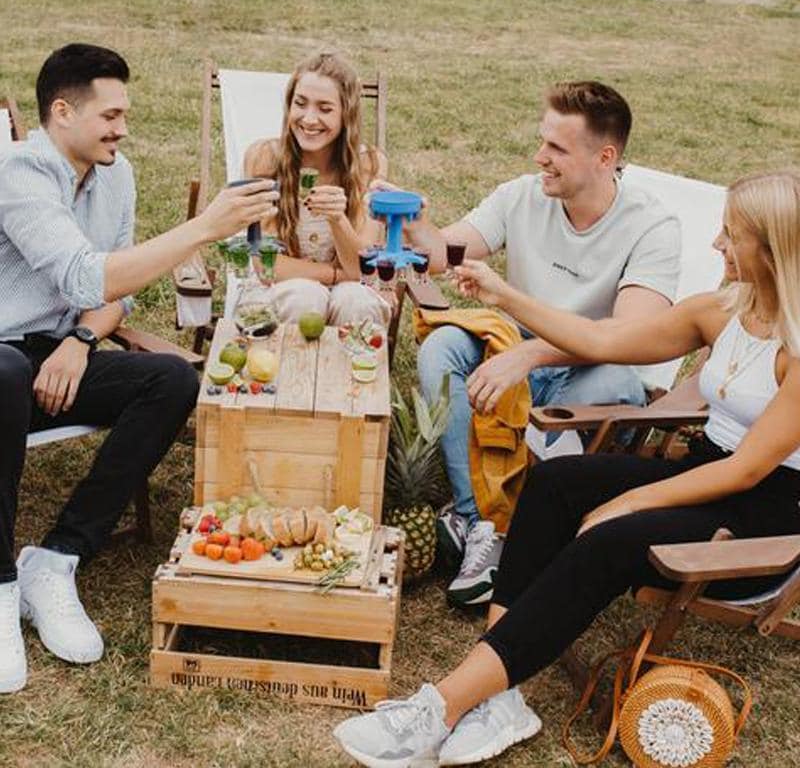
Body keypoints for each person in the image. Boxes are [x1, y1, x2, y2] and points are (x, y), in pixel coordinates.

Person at [334, 170, 800, 767]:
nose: (716, 244)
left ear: (773, 249)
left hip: (761, 517)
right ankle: (498, 693)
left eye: (731, 235)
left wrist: (628, 502)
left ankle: (442, 707)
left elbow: (747, 472)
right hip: (707, 471)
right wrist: (506, 297)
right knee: (556, 483)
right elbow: (602, 340)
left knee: (608, 538)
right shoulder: (722, 310)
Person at [0, 43, 276, 694]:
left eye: (124, 115)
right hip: (1, 359)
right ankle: (0, 584)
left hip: (58, 356)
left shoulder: (116, 175)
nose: (122, 129)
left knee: (172, 379)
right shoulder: (17, 174)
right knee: (5, 371)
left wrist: (80, 341)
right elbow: (83, 275)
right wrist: (203, 228)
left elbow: (114, 292)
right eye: (111, 115)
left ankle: (56, 558)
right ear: (62, 112)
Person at [406, 81, 681, 606]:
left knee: (616, 385)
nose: (539, 157)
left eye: (556, 148)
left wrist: (531, 353)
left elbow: (629, 337)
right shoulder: (522, 195)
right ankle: (481, 521)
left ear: (605, 157)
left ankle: (529, 520)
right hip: (513, 345)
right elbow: (445, 254)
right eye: (542, 141)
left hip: (592, 363)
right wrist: (419, 228)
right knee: (442, 347)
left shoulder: (652, 225)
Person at [242, 51, 391, 327]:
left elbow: (361, 268)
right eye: (300, 104)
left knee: (357, 301)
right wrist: (335, 275)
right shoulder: (264, 159)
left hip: (350, 289)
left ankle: (350, 358)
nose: (309, 119)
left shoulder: (368, 165)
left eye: (325, 109)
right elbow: (267, 265)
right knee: (305, 296)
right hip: (278, 289)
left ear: (346, 114)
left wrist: (338, 219)